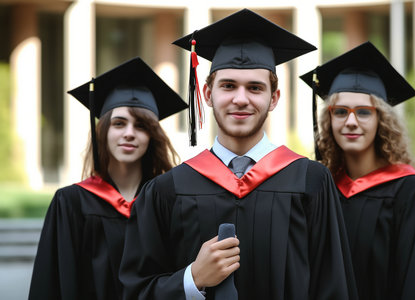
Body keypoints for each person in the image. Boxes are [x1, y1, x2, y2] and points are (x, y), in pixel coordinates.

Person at [119, 9, 357, 300]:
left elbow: (334, 287)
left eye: (255, 88)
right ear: (207, 94)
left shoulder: (311, 181)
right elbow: (136, 291)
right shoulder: (167, 190)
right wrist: (192, 280)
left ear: (274, 98)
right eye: (228, 85)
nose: (240, 99)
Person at [300, 41, 415, 299]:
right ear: (328, 121)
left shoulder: (414, 194)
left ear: (382, 120)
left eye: (363, 112)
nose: (350, 122)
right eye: (340, 112)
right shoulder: (319, 192)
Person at [28, 57, 188, 300]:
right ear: (103, 131)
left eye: (141, 126)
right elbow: (51, 284)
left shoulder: (168, 203)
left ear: (152, 136)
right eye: (119, 123)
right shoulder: (71, 203)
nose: (129, 134)